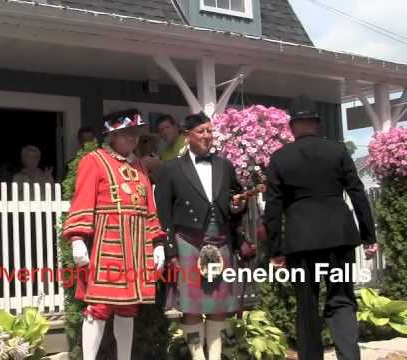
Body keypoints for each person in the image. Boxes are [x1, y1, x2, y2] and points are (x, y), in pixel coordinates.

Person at [263, 95, 378, 360]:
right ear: (317, 123)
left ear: (292, 126)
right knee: (342, 299)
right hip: (339, 237)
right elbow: (357, 193)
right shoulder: (337, 151)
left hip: (302, 242)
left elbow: (273, 208)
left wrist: (276, 249)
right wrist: (369, 236)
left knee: (306, 305)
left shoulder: (280, 158)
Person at [62, 109, 166, 360]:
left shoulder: (140, 165)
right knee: (98, 306)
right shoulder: (94, 160)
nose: (131, 138)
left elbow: (149, 207)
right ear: (111, 135)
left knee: (128, 308)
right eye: (125, 133)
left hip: (137, 246)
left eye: (135, 133)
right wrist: (77, 239)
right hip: (107, 244)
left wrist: (158, 243)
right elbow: (82, 201)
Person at [155, 112, 254, 360]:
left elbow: (236, 204)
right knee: (191, 307)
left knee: (218, 306)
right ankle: (198, 356)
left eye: (210, 131)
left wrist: (237, 206)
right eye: (201, 131)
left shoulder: (225, 166)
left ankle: (216, 355)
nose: (207, 136)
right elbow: (163, 213)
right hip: (187, 242)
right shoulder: (171, 169)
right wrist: (170, 251)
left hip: (220, 240)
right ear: (187, 136)